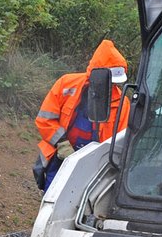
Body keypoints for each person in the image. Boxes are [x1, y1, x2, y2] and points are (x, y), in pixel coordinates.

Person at [34, 39, 131, 192]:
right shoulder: (66, 84)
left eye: (116, 83)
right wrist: (62, 144)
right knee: (53, 195)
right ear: (97, 75)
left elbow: (119, 142)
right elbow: (45, 120)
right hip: (61, 155)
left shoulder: (122, 103)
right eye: (110, 82)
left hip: (96, 166)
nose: (113, 87)